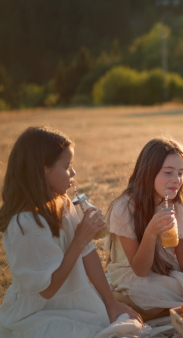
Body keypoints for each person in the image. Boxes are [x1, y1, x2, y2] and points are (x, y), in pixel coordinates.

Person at [0, 126, 141, 337]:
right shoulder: (23, 224)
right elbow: (47, 290)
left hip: (78, 302)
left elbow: (88, 252)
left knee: (124, 326)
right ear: (42, 171)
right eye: (67, 166)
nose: (73, 173)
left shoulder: (64, 203)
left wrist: (110, 302)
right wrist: (80, 239)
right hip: (39, 312)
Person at [104, 136, 183, 315]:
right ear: (149, 172)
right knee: (152, 294)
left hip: (168, 267)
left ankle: (165, 306)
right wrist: (150, 233)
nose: (177, 180)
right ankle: (121, 296)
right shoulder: (124, 209)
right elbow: (140, 270)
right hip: (135, 274)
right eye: (168, 172)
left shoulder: (174, 203)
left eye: (181, 173)